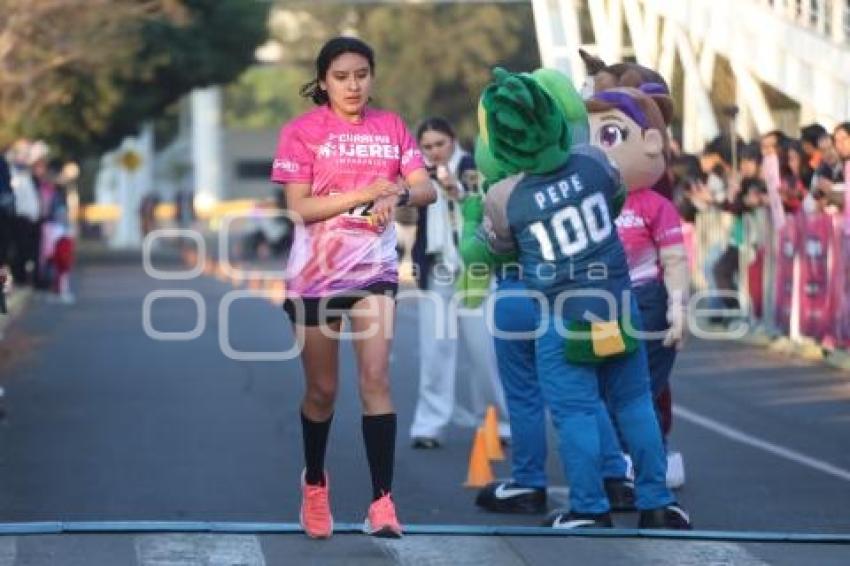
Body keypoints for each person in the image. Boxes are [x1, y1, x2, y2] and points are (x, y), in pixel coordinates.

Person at [477, 68, 690, 529]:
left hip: (561, 313)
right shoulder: (594, 160)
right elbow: (615, 202)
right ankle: (655, 501)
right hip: (616, 302)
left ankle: (590, 507)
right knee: (634, 402)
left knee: (574, 411)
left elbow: (501, 248)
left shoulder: (503, 196)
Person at [270, 36, 434, 540]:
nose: (353, 85)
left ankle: (382, 503)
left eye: (361, 74)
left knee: (376, 379)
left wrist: (400, 193)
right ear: (323, 82)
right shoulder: (303, 132)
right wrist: (364, 194)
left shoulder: (392, 127)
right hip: (316, 275)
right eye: (341, 76)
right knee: (322, 391)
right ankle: (315, 484)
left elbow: (424, 188)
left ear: (372, 76)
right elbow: (298, 206)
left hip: (375, 273)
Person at [408, 117, 509, 449]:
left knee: (484, 352)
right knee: (434, 350)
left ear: (453, 140)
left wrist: (456, 189)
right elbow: (409, 217)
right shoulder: (417, 173)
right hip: (437, 267)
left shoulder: (470, 166)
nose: (435, 151)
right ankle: (429, 424)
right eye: (428, 146)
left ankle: (498, 423)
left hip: (473, 270)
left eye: (440, 144)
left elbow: (484, 208)